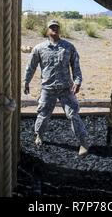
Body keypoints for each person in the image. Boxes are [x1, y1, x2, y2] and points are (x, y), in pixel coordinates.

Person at [23, 19, 90, 157]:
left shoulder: (69, 47)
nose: (54, 29)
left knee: (73, 115)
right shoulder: (39, 48)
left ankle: (83, 142)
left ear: (59, 30)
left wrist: (77, 81)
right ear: (47, 31)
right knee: (43, 114)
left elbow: (76, 67)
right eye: (51, 27)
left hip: (66, 89)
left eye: (57, 27)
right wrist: (26, 82)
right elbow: (31, 67)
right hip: (48, 89)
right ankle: (39, 135)